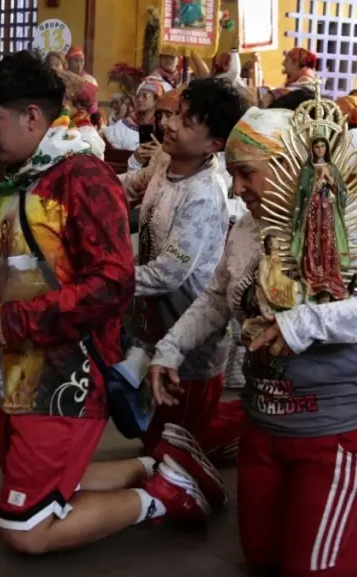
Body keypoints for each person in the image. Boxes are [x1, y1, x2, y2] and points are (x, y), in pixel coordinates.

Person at [0, 51, 223, 556]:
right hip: (24, 368)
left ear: (32, 117)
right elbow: (10, 283)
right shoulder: (19, 176)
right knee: (20, 475)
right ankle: (156, 466)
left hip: (66, 379)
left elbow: (112, 284)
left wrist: (11, 322)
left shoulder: (83, 178)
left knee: (24, 530)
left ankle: (162, 497)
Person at [149, 100, 357, 576]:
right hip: (265, 425)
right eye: (233, 174)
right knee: (262, 557)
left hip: (336, 428)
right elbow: (216, 298)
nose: (236, 188)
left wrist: (305, 322)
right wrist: (171, 348)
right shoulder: (246, 229)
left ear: (288, 166)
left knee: (310, 571)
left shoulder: (350, 224)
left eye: (247, 173)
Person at [119, 77, 249, 465]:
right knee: (152, 438)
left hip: (192, 329)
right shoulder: (165, 161)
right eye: (176, 114)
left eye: (188, 122)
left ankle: (253, 424)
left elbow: (168, 273)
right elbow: (130, 185)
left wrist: (105, 281)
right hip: (158, 321)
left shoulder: (205, 193)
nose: (171, 125)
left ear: (214, 145)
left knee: (174, 450)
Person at [104, 76, 162, 151]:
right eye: (138, 96)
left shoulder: (161, 127)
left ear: (156, 100)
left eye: (145, 96)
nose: (140, 99)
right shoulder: (124, 124)